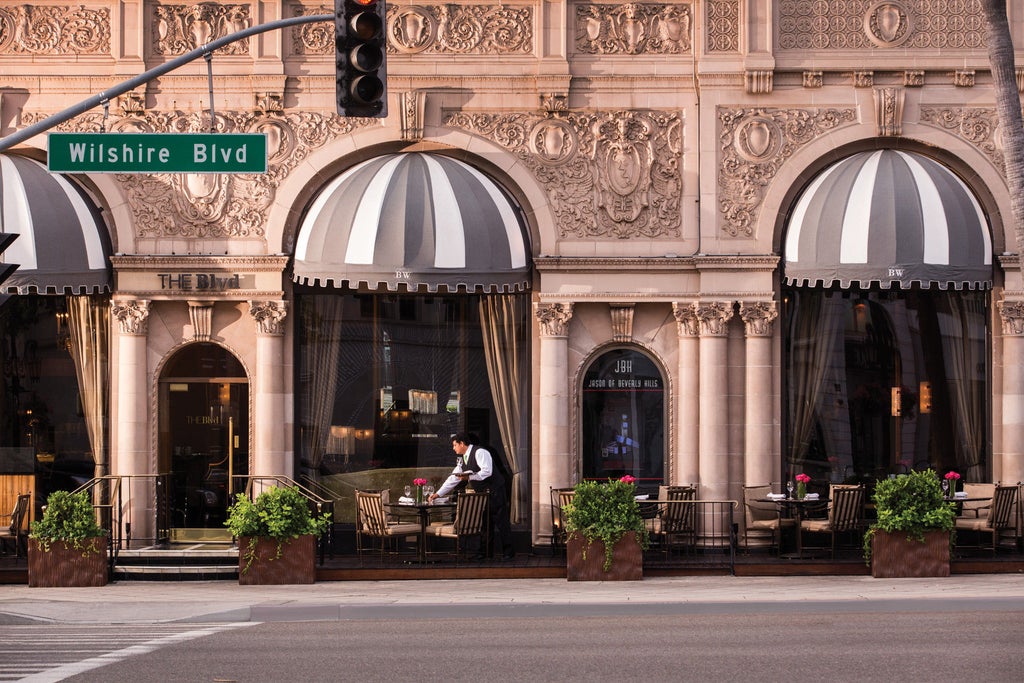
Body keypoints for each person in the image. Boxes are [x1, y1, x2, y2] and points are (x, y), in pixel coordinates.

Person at [429, 432, 515, 560]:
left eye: (454, 445)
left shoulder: (480, 452)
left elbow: (487, 471)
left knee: (501, 522)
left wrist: (469, 476)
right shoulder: (463, 458)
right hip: (482, 493)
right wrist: (438, 494)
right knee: (485, 523)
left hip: (495, 490)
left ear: (462, 443)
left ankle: (509, 553)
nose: (453, 448)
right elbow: (453, 479)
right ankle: (485, 552)